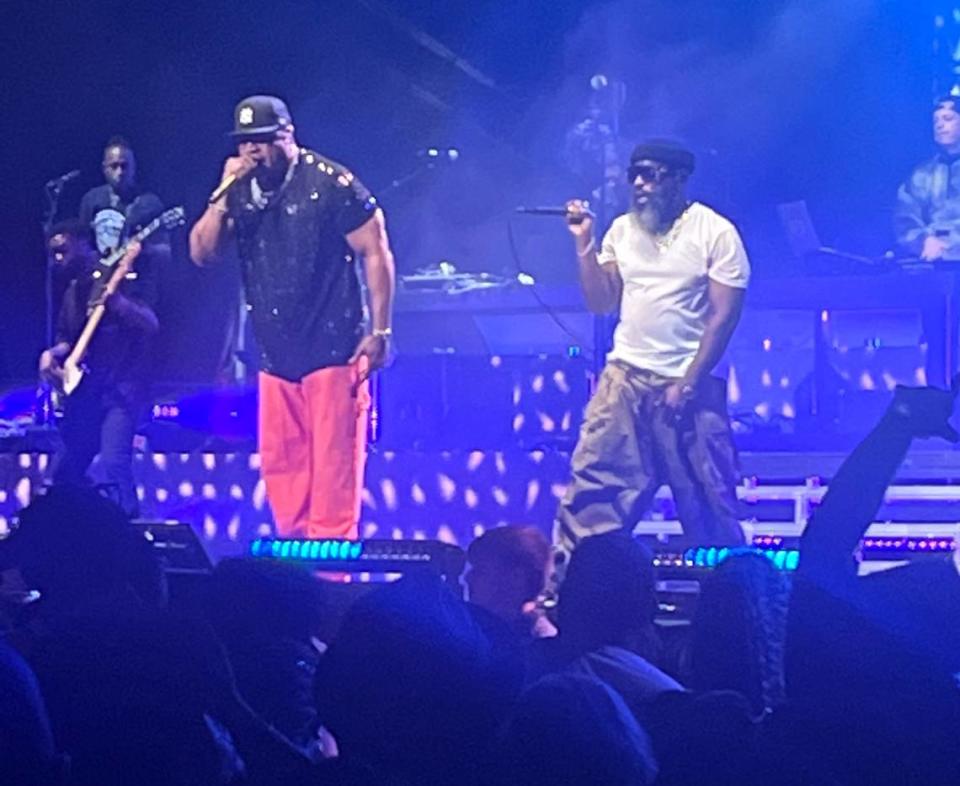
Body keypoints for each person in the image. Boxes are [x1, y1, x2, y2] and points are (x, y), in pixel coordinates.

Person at [189, 95, 395, 539]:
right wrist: (222, 195)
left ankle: (331, 585)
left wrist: (381, 329)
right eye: (245, 143)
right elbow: (202, 253)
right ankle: (296, 584)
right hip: (274, 355)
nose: (252, 152)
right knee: (284, 478)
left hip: (333, 349)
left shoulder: (330, 182)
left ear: (288, 136)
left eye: (262, 142)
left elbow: (375, 249)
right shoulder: (239, 192)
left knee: (333, 478)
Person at [554, 139, 750, 566]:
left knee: (710, 504)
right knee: (593, 496)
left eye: (651, 175)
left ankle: (732, 606)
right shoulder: (622, 230)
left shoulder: (715, 232)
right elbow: (601, 301)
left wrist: (689, 381)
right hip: (625, 379)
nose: (640, 185)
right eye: (634, 176)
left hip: (689, 384)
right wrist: (583, 243)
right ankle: (565, 602)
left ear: (678, 179)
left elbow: (723, 317)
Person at [38, 220, 159, 516]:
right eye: (53, 253)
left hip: (122, 389)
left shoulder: (122, 277)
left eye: (62, 251)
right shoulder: (74, 290)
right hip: (86, 391)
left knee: (114, 462)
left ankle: (128, 533)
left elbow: (151, 324)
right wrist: (51, 355)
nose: (58, 259)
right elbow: (68, 338)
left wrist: (118, 303)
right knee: (66, 469)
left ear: (82, 243)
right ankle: (81, 530)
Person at [78, 136, 170, 261]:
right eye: (114, 166)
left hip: (138, 275)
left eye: (124, 166)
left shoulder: (150, 204)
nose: (120, 172)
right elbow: (81, 243)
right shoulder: (91, 199)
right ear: (104, 168)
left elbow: (165, 250)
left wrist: (143, 248)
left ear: (134, 167)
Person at [895, 95, 960, 262]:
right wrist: (924, 241)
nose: (940, 125)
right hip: (931, 261)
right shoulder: (921, 174)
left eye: (948, 119)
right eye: (935, 121)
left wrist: (951, 246)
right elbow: (905, 219)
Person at [465, 526, 556, 641]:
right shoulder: (471, 628)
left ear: (517, 578)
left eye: (481, 571)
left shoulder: (541, 646)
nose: (469, 578)